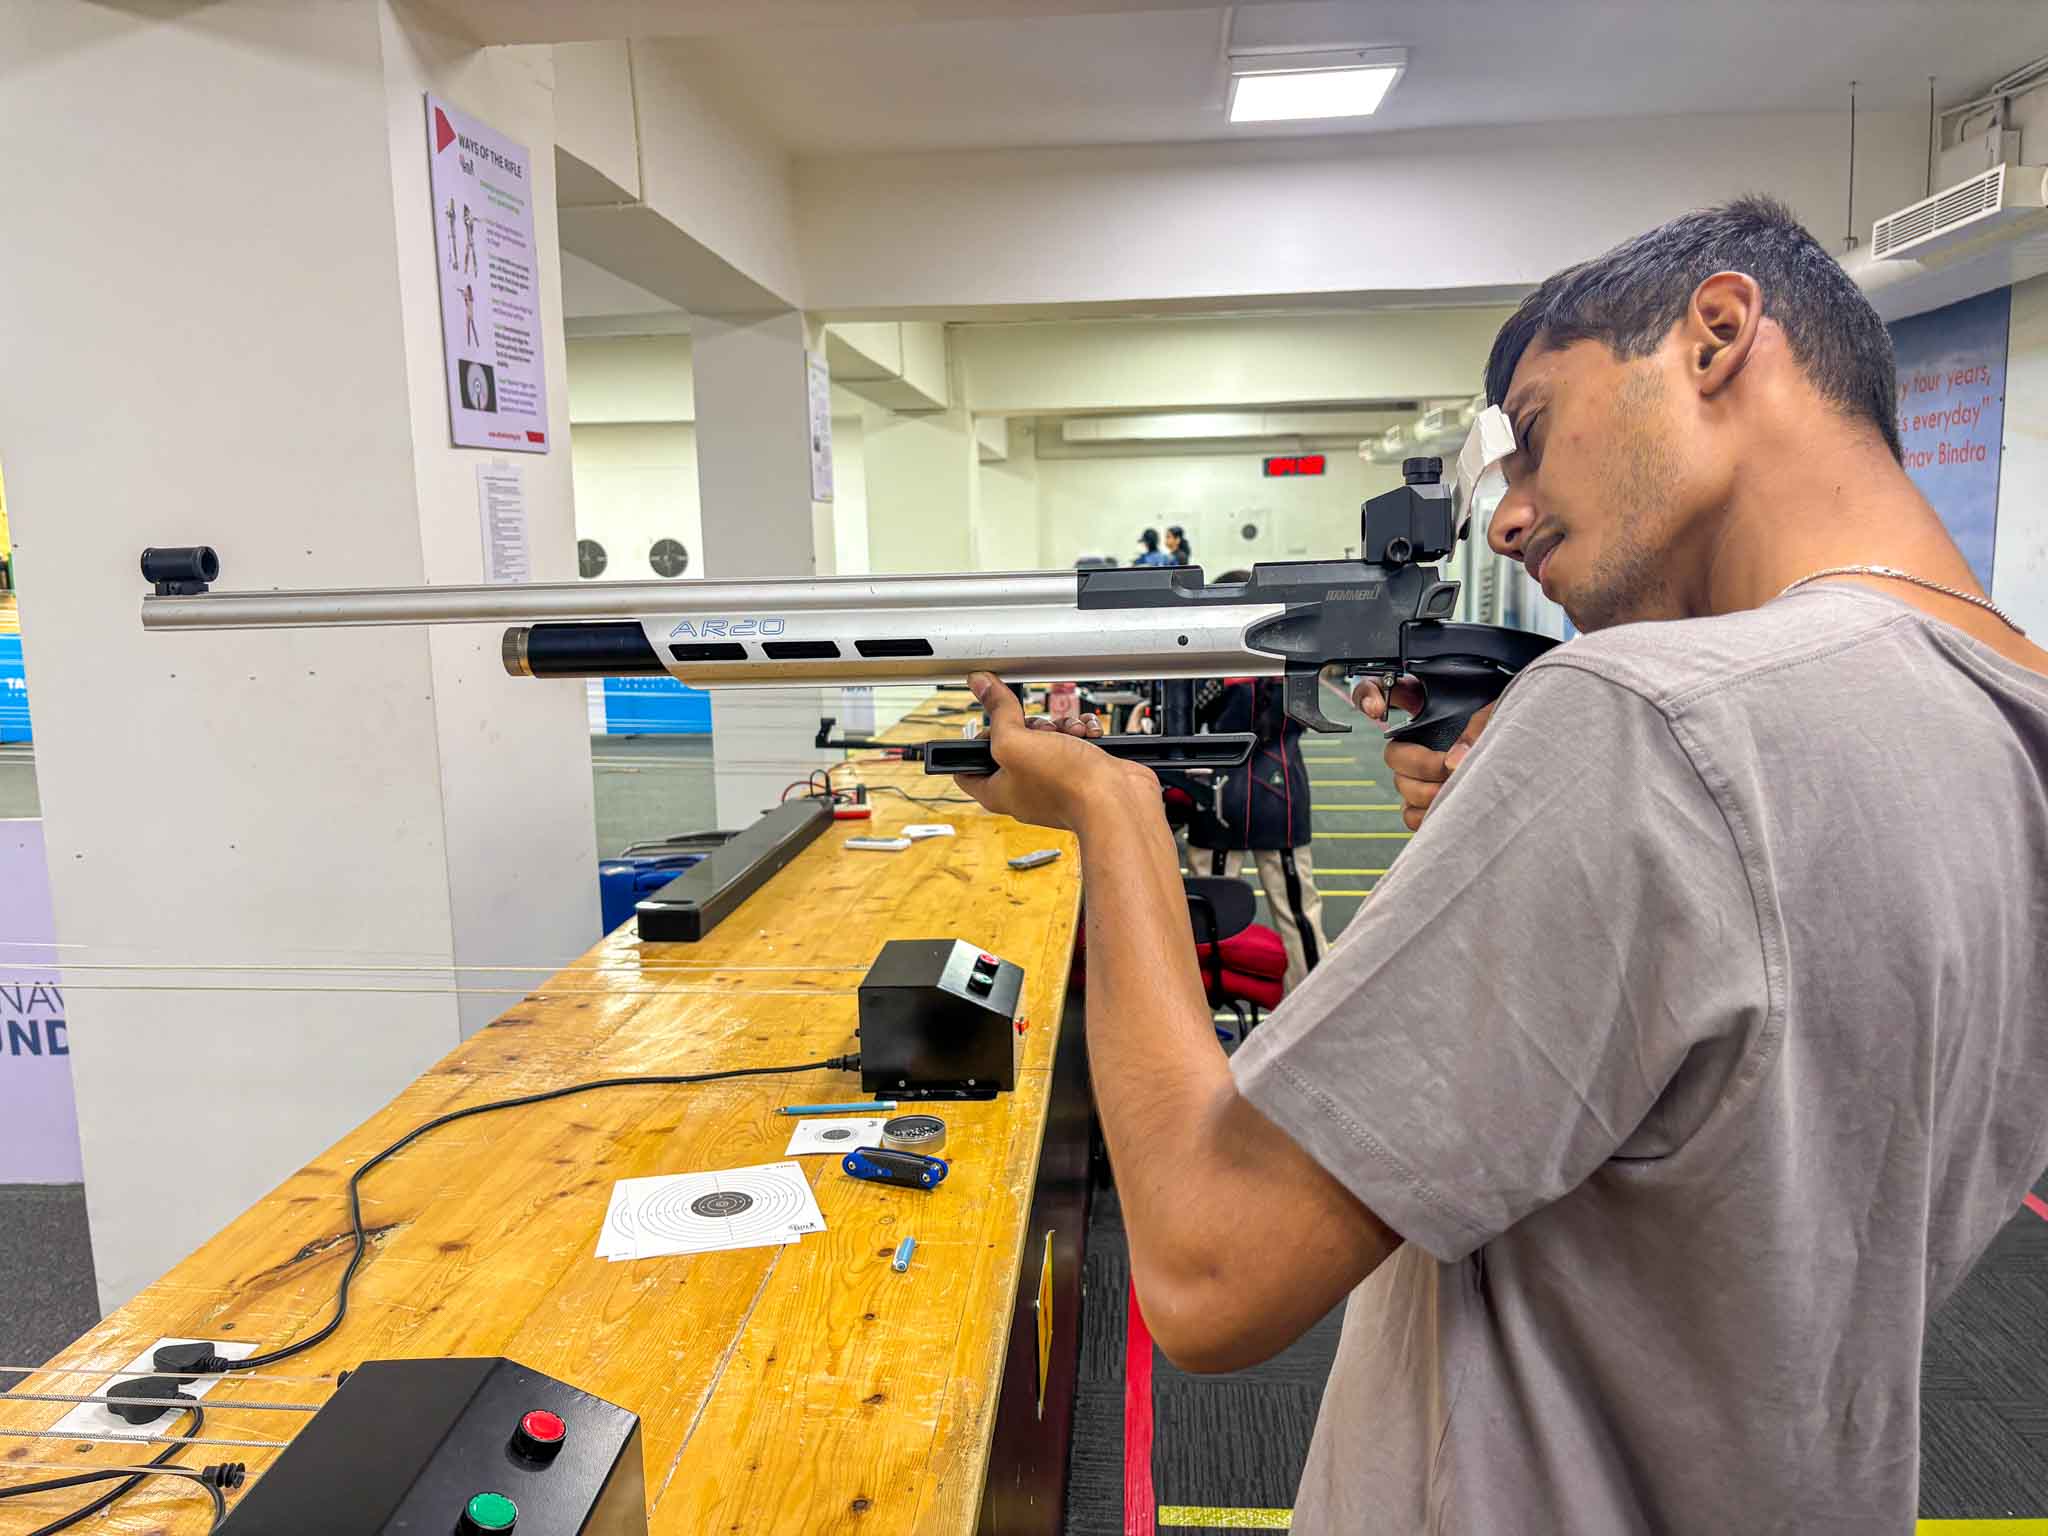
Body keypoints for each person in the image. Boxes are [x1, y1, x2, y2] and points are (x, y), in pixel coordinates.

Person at [956, 196, 2048, 1533]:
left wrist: (1105, 812)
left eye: (1536, 431)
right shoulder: (2003, 730)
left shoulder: (1645, 722)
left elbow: (1205, 1267)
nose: (1515, 516)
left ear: (1716, 335)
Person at [1178, 572, 1329, 993]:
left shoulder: (1209, 662)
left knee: (1210, 912)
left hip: (1221, 796)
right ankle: (1313, 1006)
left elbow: (1187, 722)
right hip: (1279, 793)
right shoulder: (1295, 656)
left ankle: (1200, 1008)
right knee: (1298, 912)